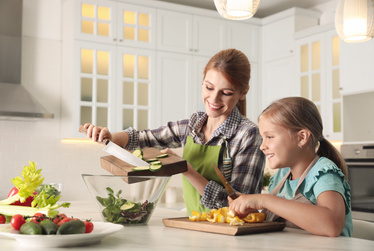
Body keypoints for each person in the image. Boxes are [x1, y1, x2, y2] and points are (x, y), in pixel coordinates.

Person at [83, 48, 265, 215]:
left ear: (243, 93)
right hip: (196, 227)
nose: (214, 98)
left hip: (233, 234)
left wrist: (185, 169)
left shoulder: (248, 135)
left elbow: (241, 206)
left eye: (226, 92)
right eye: (209, 87)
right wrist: (111, 137)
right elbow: (142, 138)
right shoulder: (191, 126)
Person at [228, 97, 352, 237]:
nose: (262, 146)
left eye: (269, 137)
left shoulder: (324, 174)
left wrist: (264, 200)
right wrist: (251, 211)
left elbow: (332, 225)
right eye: (262, 138)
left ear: (302, 138)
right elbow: (277, 220)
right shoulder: (281, 177)